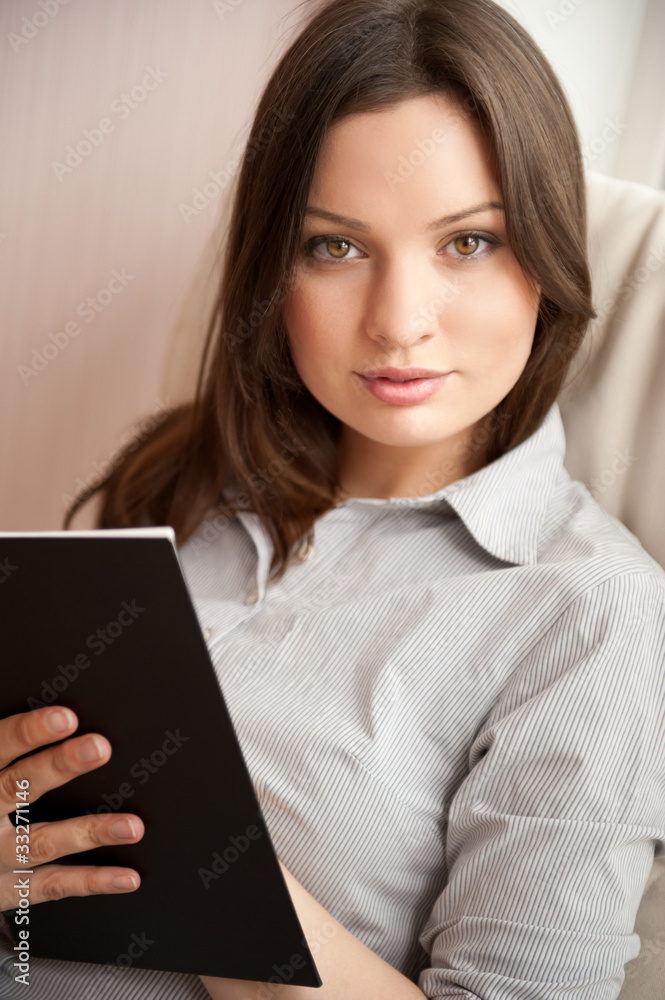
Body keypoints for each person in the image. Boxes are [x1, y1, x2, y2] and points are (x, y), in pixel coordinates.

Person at [1, 0, 664, 997]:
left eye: (467, 243)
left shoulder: (588, 612)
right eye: (335, 248)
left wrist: (213, 876)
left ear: (546, 251)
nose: (398, 324)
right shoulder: (178, 486)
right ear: (274, 266)